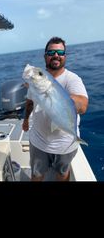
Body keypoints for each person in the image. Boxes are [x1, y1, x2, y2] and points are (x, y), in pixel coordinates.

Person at [22, 37, 88, 181]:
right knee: (36, 174)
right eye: (51, 52)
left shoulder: (72, 79)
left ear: (65, 56)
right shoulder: (37, 82)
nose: (56, 55)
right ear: (45, 56)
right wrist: (25, 120)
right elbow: (30, 102)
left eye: (60, 52)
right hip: (38, 141)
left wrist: (63, 98)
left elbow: (83, 106)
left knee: (63, 173)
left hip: (64, 144)